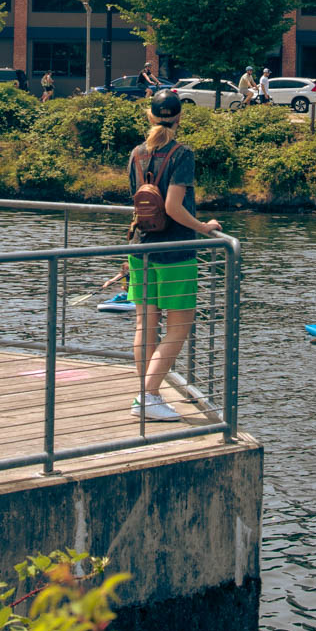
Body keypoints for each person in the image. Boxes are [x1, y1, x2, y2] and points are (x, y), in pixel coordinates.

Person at [127, 88, 222, 420]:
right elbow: (172, 207)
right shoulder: (182, 155)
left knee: (145, 323)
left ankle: (146, 393)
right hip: (175, 252)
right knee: (179, 327)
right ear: (179, 117)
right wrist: (204, 227)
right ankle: (148, 396)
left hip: (140, 249)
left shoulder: (136, 153)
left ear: (150, 116)